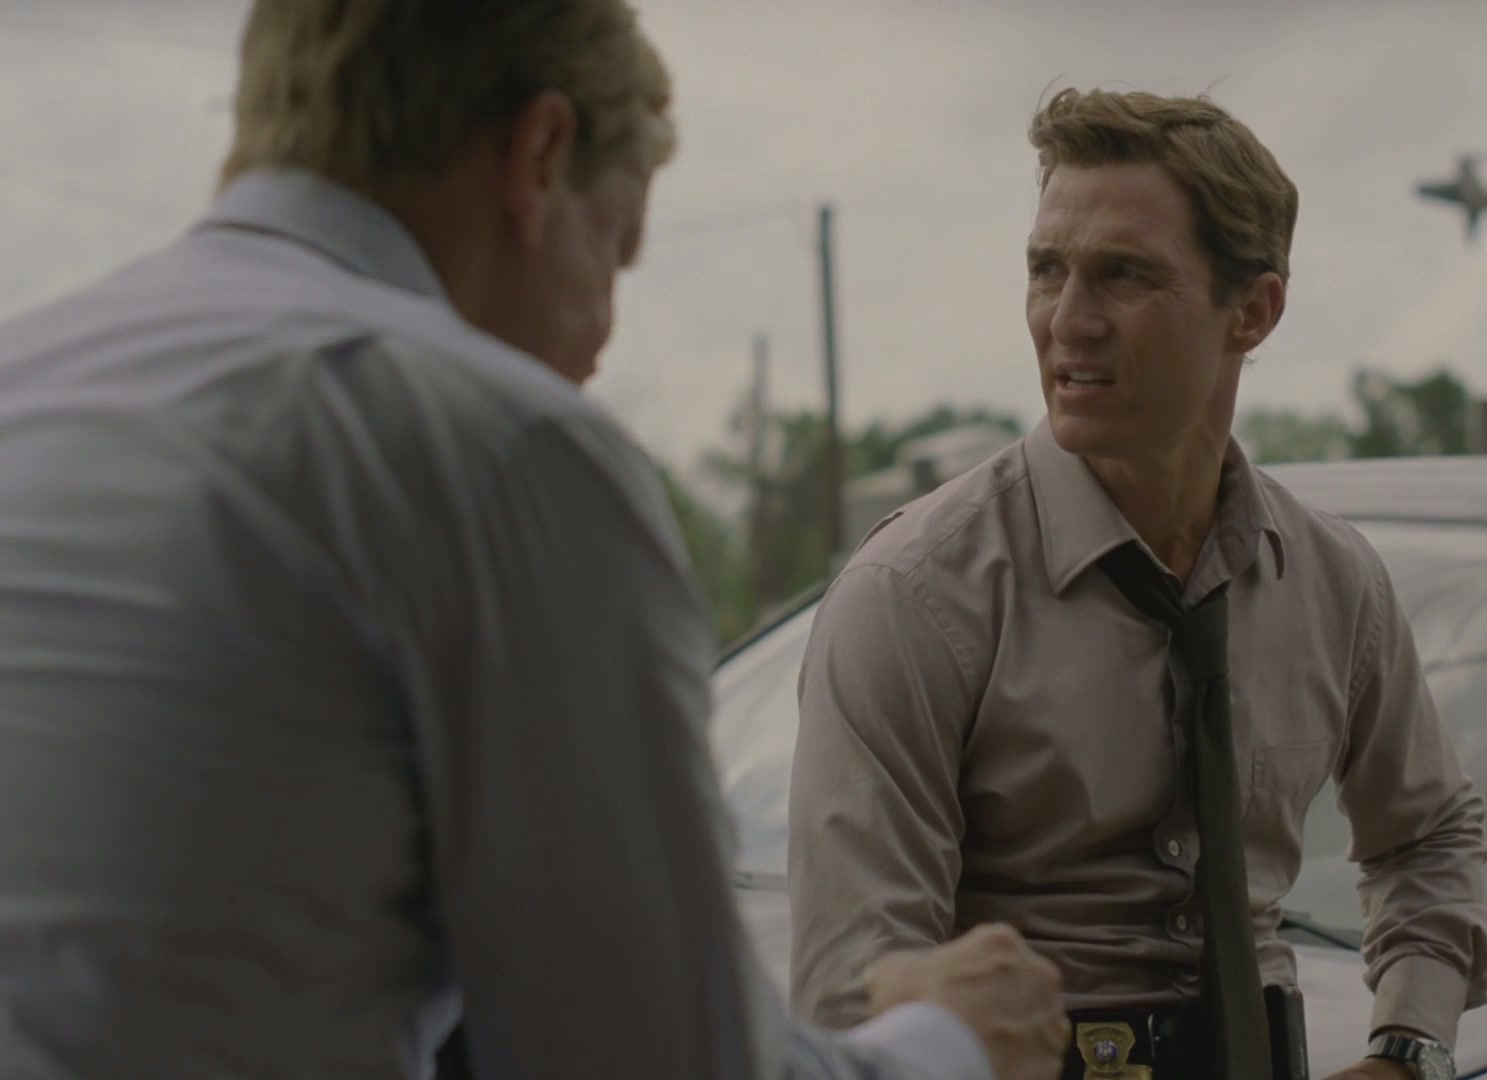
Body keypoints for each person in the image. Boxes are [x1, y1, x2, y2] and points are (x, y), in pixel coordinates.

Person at [0, 3, 1069, 1078]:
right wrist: (948, 1043)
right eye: (615, 250)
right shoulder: (497, 446)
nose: (599, 340)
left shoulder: (32, 381)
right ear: (541, 154)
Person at [787, 88, 1487, 1080]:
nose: (1068, 321)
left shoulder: (1332, 584)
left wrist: (1408, 1049)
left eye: (1123, 275)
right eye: (1047, 270)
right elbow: (854, 984)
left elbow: (1429, 834)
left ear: (1252, 311)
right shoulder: (916, 597)